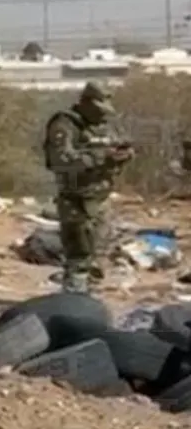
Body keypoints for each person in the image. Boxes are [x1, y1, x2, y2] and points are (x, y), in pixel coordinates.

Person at [43, 80, 133, 292]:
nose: (102, 115)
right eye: (98, 109)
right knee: (78, 255)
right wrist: (101, 157)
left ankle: (88, 299)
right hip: (76, 199)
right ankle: (74, 301)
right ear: (85, 103)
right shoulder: (65, 124)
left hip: (100, 197)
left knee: (97, 253)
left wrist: (121, 156)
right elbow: (60, 161)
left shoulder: (102, 125)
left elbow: (116, 145)